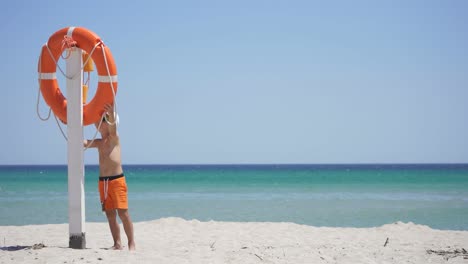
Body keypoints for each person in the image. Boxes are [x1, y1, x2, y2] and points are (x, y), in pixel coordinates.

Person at [84, 103, 136, 251]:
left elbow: (112, 127)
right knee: (110, 214)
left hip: (117, 180)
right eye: (99, 122)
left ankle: (131, 243)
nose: (99, 124)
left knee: (123, 213)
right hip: (103, 182)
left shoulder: (114, 138)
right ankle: (117, 243)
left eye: (103, 121)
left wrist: (111, 114)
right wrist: (70, 122)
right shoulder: (99, 143)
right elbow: (83, 143)